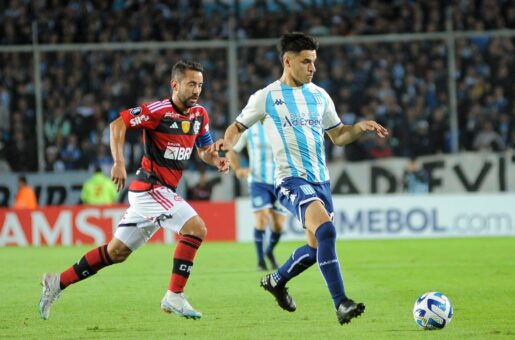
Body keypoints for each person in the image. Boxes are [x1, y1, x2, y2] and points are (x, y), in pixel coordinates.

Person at [212, 32, 388, 325]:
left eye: (314, 62)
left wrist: (360, 127)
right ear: (287, 61)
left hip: (322, 181)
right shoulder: (266, 97)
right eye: (306, 62)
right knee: (327, 232)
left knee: (316, 247)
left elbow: (339, 135)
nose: (312, 68)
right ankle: (341, 302)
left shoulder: (319, 96)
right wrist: (227, 144)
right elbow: (237, 126)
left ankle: (276, 280)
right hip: (290, 180)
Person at [39, 60, 230, 321]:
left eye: (200, 85)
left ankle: (56, 282)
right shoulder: (157, 111)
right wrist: (118, 162)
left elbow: (204, 151)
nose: (197, 90)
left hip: (159, 193)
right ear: (175, 85)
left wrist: (216, 159)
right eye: (191, 84)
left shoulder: (200, 115)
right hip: (150, 188)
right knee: (196, 228)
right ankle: (174, 295)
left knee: (115, 253)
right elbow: (117, 125)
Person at [226, 122, 285, 271]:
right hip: (258, 181)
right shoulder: (250, 129)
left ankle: (269, 251)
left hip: (280, 181)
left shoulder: (282, 125)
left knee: (278, 225)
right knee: (262, 219)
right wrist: (238, 169)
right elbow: (230, 150)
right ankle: (260, 261)